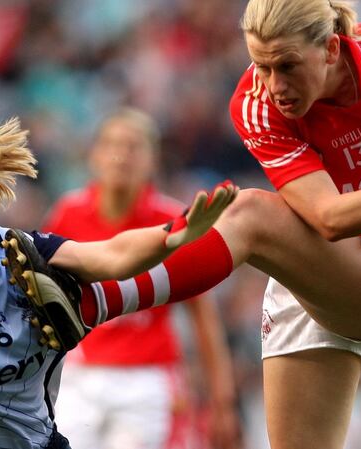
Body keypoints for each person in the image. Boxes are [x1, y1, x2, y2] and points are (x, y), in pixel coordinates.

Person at [9, 2, 361, 449]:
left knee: (246, 212)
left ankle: (90, 304)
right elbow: (327, 217)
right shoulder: (256, 104)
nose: (272, 85)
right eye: (261, 66)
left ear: (332, 48)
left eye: (287, 66)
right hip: (327, 264)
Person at [0, 100, 237, 449]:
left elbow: (111, 256)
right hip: (87, 381)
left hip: (135, 389)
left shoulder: (19, 253)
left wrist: (170, 236)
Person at [42, 108, 241, 449]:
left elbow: (203, 316)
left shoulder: (174, 220)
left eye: (133, 146)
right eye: (111, 145)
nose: (121, 156)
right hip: (81, 375)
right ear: (94, 156)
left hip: (150, 381)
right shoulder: (68, 213)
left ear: (153, 160)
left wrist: (222, 401)